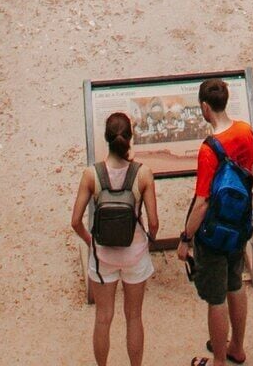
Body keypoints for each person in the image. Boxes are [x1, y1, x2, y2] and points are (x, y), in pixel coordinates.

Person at [173, 77, 253, 365]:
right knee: (235, 283)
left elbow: (202, 202)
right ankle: (237, 345)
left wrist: (186, 239)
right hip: (239, 224)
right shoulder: (245, 132)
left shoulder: (209, 150)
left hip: (213, 232)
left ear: (205, 108)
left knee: (216, 297)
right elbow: (250, 171)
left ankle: (220, 360)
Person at [74, 111, 157, 366]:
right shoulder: (143, 174)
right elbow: (153, 222)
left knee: (103, 318)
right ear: (130, 138)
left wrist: (92, 242)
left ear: (106, 139)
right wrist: (147, 242)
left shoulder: (92, 174)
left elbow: (75, 221)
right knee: (134, 317)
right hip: (134, 254)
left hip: (103, 256)